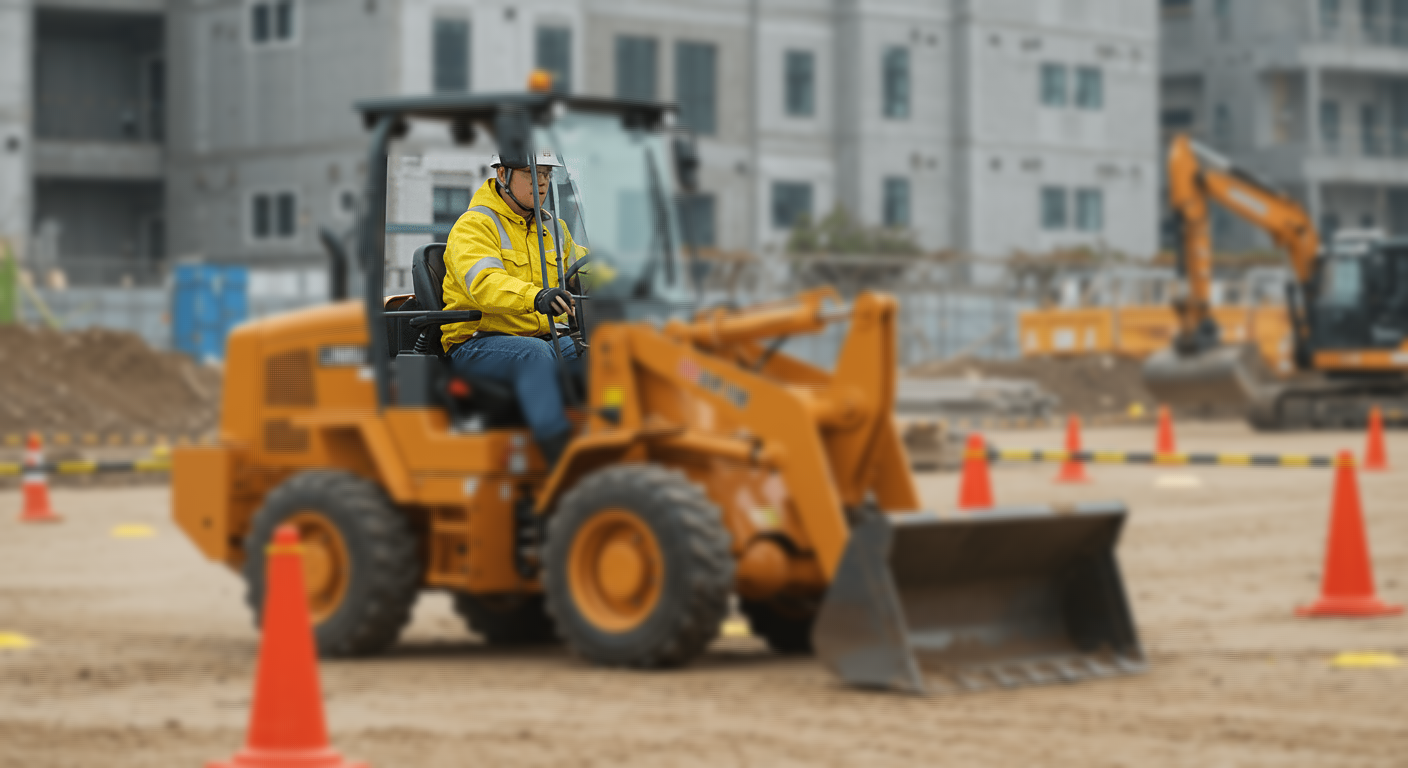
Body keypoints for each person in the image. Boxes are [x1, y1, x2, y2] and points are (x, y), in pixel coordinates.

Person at [440, 150, 584, 466]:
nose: (542, 183)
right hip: (477, 344)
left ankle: (608, 437)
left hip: (545, 339)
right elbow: (484, 283)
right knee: (533, 355)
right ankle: (562, 465)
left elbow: (583, 268)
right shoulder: (474, 226)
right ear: (502, 175)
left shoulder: (553, 228)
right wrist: (535, 297)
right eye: (531, 174)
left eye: (547, 174)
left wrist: (626, 280)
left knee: (608, 349)